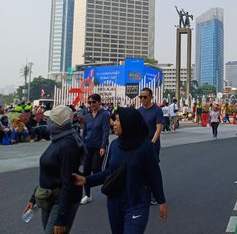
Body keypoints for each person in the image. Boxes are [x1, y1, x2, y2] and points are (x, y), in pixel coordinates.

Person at [73, 108, 168, 233]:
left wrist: (161, 201)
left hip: (136, 203)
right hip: (114, 203)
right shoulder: (114, 145)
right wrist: (86, 180)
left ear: (128, 123)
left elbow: (154, 174)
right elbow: (109, 173)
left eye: (117, 120)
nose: (113, 123)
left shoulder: (145, 147)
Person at [24, 105, 84, 234]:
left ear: (58, 123)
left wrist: (61, 218)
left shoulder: (67, 145)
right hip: (48, 197)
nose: (47, 121)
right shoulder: (58, 139)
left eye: (50, 119)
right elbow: (48, 173)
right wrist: (33, 198)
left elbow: (68, 183)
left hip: (61, 200)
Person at [81, 94, 111, 205]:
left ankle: (110, 186)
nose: (92, 104)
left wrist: (103, 146)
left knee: (96, 170)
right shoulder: (87, 117)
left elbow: (105, 131)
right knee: (86, 172)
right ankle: (88, 195)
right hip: (88, 146)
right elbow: (84, 132)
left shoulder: (105, 115)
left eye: (94, 102)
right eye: (89, 102)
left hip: (99, 146)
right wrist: (82, 146)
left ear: (99, 102)